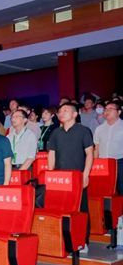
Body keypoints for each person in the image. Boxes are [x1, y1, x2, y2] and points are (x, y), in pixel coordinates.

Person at [47, 103, 94, 251]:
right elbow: (51, 154)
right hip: (60, 178)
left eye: (65, 110)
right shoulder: (56, 133)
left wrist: (86, 174)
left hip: (77, 177)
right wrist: (50, 173)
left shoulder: (83, 131)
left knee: (81, 209)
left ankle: (83, 241)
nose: (61, 113)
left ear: (74, 114)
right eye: (60, 111)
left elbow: (90, 154)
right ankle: (63, 240)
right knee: (62, 209)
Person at [94, 102, 123, 195]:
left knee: (121, 189)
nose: (107, 112)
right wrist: (95, 162)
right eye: (105, 110)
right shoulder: (99, 128)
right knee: (104, 191)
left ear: (119, 112)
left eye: (110, 110)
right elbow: (97, 147)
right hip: (103, 163)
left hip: (119, 163)